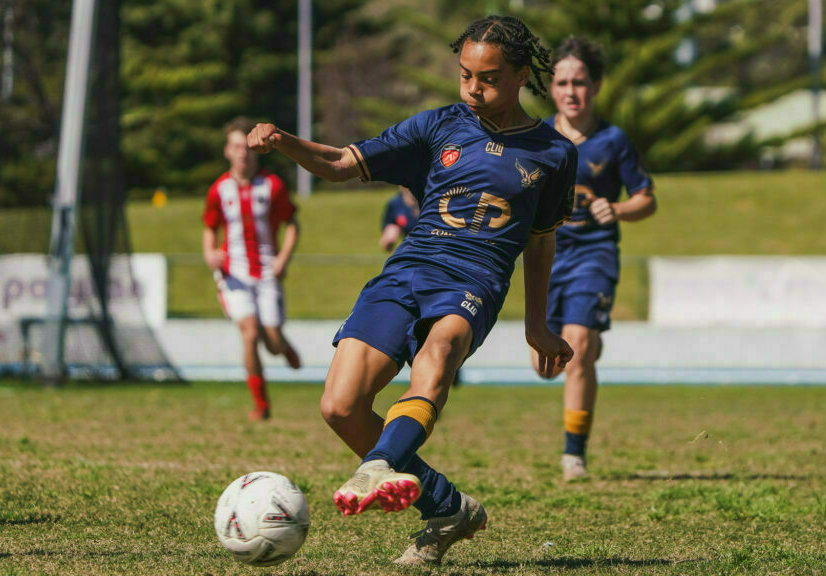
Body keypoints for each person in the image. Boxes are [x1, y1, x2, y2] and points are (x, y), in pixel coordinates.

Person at [247, 15, 576, 565]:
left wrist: (536, 323)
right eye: (465, 74)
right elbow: (336, 164)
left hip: (475, 280)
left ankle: (378, 466)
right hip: (407, 271)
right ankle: (447, 506)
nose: (473, 88)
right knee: (339, 406)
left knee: (440, 350)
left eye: (489, 78)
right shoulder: (437, 126)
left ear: (522, 76)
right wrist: (282, 141)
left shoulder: (553, 153)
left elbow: (541, 243)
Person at [536, 37, 657, 480]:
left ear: (597, 85)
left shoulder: (613, 141)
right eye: (563, 82)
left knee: (579, 348)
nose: (571, 91)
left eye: (580, 82)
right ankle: (588, 339)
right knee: (547, 367)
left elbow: (648, 199)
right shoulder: (539, 139)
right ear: (552, 88)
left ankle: (574, 455)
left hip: (595, 254)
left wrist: (619, 208)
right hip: (546, 260)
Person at [203, 117, 303, 422]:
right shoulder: (219, 189)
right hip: (234, 275)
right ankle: (261, 405)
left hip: (266, 273)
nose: (242, 153)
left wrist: (283, 258)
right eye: (235, 147)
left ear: (254, 150)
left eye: (246, 147)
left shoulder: (272, 186)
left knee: (270, 341)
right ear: (227, 151)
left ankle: (281, 346)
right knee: (249, 333)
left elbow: (292, 224)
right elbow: (210, 227)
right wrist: (209, 253)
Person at [379, 186, 419, 251]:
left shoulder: (431, 200)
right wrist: (389, 240)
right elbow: (390, 228)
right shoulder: (396, 204)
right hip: (411, 249)